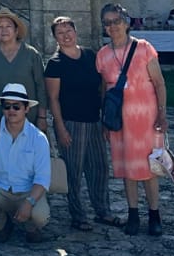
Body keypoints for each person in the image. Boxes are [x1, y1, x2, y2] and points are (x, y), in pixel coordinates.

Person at [98, 4, 169, 237]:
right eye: (107, 23)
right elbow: (103, 90)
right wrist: (104, 120)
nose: (112, 26)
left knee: (149, 168)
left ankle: (154, 214)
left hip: (146, 118)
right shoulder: (103, 55)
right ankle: (133, 214)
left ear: (126, 22)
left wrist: (162, 113)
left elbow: (158, 83)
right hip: (120, 121)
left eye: (116, 21)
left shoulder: (144, 48)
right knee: (128, 168)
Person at [44, 15, 119, 231]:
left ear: (75, 32)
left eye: (69, 31)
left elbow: (101, 86)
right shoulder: (55, 63)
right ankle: (78, 215)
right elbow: (53, 98)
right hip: (71, 123)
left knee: (99, 169)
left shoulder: (90, 56)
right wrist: (59, 127)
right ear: (55, 38)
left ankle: (103, 211)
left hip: (94, 120)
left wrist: (105, 118)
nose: (66, 36)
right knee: (73, 172)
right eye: (60, 33)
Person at [0, 82, 52, 242]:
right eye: (7, 106)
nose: (11, 111)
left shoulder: (38, 138)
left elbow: (42, 178)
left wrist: (29, 202)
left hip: (28, 190)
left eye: (16, 107)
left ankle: (31, 228)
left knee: (40, 216)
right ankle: (2, 226)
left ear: (26, 109)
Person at [0, 9, 47, 130]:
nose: (4, 30)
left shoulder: (31, 54)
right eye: (0, 27)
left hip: (28, 119)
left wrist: (42, 117)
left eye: (8, 26)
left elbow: (41, 87)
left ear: (16, 30)